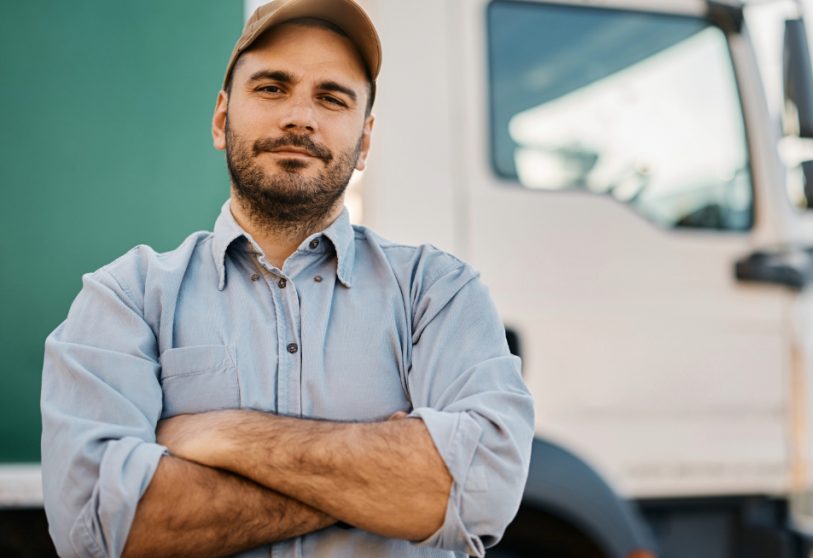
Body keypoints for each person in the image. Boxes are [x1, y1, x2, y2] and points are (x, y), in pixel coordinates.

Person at [39, 1, 534, 556]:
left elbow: (483, 491)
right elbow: (101, 526)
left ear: (365, 141)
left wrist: (222, 434)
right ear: (222, 119)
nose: (301, 116)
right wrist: (380, 481)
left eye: (331, 97)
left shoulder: (438, 291)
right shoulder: (126, 296)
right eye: (273, 88)